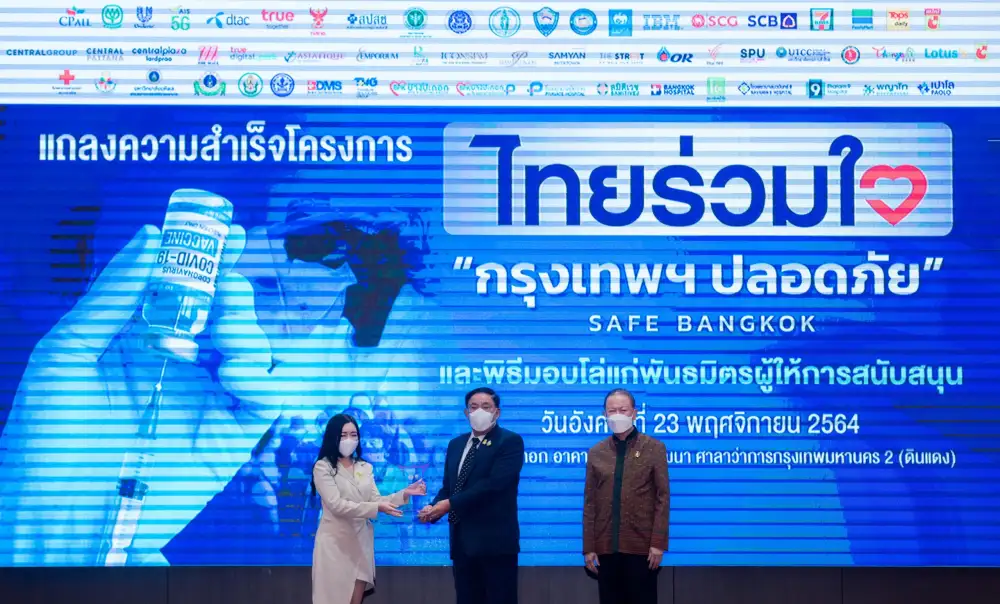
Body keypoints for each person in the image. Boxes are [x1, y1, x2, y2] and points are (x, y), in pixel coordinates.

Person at [418, 387, 524, 604]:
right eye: (473, 407)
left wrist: (449, 504)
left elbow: (493, 486)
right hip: (462, 544)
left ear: (497, 412)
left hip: (495, 545)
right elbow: (451, 487)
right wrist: (433, 507)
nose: (479, 412)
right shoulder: (456, 444)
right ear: (466, 413)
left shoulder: (510, 441)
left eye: (486, 407)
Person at [312, 413, 426, 604]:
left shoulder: (364, 467)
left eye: (353, 435)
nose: (349, 440)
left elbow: (376, 499)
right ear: (333, 437)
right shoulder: (323, 467)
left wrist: (404, 494)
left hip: (360, 545)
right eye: (343, 435)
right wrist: (376, 506)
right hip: (334, 546)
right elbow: (336, 505)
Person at [583, 388, 670, 604]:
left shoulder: (654, 448)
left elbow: (662, 497)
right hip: (606, 549)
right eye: (612, 411)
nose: (617, 415)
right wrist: (589, 548)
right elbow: (590, 503)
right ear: (604, 415)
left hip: (642, 550)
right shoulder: (596, 452)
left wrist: (658, 543)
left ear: (634, 413)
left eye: (623, 410)